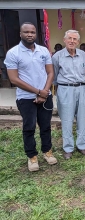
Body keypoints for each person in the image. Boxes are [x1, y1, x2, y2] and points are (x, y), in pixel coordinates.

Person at [4, 22, 57, 171]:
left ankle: (47, 151)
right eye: (26, 32)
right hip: (25, 98)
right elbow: (14, 79)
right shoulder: (13, 53)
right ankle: (32, 157)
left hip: (44, 95)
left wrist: (44, 92)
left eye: (32, 32)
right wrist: (37, 92)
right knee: (29, 127)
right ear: (20, 34)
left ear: (36, 34)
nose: (29, 34)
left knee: (46, 126)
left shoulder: (43, 51)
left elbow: (50, 72)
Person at [52, 30, 85, 159]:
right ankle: (68, 147)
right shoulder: (57, 56)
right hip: (65, 89)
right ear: (64, 40)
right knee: (67, 120)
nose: (72, 41)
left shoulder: (83, 54)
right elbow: (54, 75)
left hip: (82, 88)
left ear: (78, 42)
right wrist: (60, 89)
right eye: (69, 38)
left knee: (81, 118)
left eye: (75, 39)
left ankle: (82, 145)